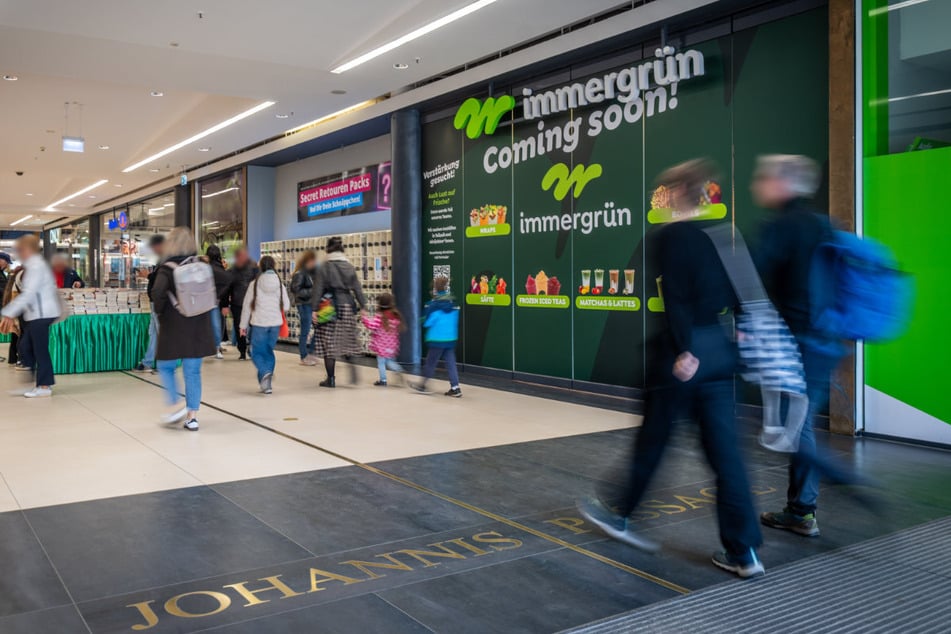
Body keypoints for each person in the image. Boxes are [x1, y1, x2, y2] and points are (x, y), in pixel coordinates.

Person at [577, 160, 764, 578]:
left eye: (663, 191)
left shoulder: (667, 238)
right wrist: (742, 332)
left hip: (681, 357)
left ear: (678, 191)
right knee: (726, 455)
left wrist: (683, 350)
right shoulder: (722, 236)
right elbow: (741, 293)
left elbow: (674, 296)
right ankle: (744, 550)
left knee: (654, 440)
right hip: (719, 353)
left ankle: (619, 513)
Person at [752, 154, 862, 538]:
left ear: (783, 184)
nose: (758, 184)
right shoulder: (823, 226)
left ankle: (824, 491)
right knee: (800, 425)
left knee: (793, 428)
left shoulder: (782, 226)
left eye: (764, 177)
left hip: (796, 342)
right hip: (827, 341)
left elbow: (753, 279)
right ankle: (801, 509)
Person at [150, 227, 216, 431]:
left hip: (174, 325)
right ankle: (192, 417)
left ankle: (175, 403)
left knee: (165, 367)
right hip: (199, 325)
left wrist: (161, 313)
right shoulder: (202, 266)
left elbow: (157, 293)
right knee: (193, 372)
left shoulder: (167, 268)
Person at [0, 235, 62, 398]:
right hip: (34, 314)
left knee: (39, 350)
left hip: (43, 314)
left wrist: (8, 312)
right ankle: (32, 384)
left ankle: (44, 386)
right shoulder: (30, 266)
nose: (19, 253)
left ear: (30, 249)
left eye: (21, 249)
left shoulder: (36, 266)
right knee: (25, 347)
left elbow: (29, 293)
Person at [310, 236, 367, 387]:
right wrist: (363, 306)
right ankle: (352, 366)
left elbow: (318, 289)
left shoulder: (325, 266)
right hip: (348, 306)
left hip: (330, 307)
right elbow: (357, 288)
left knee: (329, 344)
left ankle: (331, 379)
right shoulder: (349, 266)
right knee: (346, 339)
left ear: (328, 249)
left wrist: (314, 309)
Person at [239, 256, 289, 394]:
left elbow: (246, 307)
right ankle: (266, 384)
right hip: (275, 324)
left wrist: (242, 326)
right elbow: (287, 306)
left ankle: (264, 372)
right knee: (268, 352)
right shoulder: (280, 284)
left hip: (259, 323)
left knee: (255, 352)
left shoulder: (254, 284)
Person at [413, 276, 462, 397]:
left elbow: (427, 322)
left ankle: (423, 385)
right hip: (450, 338)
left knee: (430, 362)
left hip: (437, 338)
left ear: (435, 289)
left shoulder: (433, 305)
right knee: (451, 363)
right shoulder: (452, 303)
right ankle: (455, 388)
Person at [135, 235, 165, 373]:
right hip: (154, 301)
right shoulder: (161, 261)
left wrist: (148, 275)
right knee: (153, 333)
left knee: (161, 333)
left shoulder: (167, 261)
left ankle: (163, 364)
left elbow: (161, 279)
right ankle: (147, 361)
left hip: (160, 302)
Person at [361, 293, 404, 386]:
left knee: (381, 363)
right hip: (392, 345)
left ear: (380, 303)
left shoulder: (380, 317)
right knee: (390, 361)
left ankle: (383, 380)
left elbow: (371, 325)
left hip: (381, 346)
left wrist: (364, 317)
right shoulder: (395, 315)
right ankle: (398, 369)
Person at [223, 248, 258, 361]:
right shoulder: (232, 271)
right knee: (242, 327)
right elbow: (226, 289)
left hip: (247, 303)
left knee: (248, 326)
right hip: (241, 303)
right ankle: (244, 350)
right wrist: (225, 304)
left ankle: (247, 349)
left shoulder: (253, 269)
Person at [290, 250, 318, 365]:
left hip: (311, 304)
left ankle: (311, 353)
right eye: (312, 260)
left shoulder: (311, 273)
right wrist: (313, 291)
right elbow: (296, 290)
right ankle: (304, 356)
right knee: (305, 330)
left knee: (319, 328)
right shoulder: (300, 273)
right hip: (304, 304)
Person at [206, 245, 231, 360]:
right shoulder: (221, 268)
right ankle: (217, 347)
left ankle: (212, 347)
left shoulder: (206, 268)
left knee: (210, 325)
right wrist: (225, 304)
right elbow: (226, 287)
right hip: (218, 301)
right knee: (218, 325)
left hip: (206, 301)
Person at [2, 264, 24, 367]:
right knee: (20, 335)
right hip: (17, 312)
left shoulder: (13, 279)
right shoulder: (19, 280)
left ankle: (13, 358)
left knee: (15, 336)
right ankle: (19, 358)